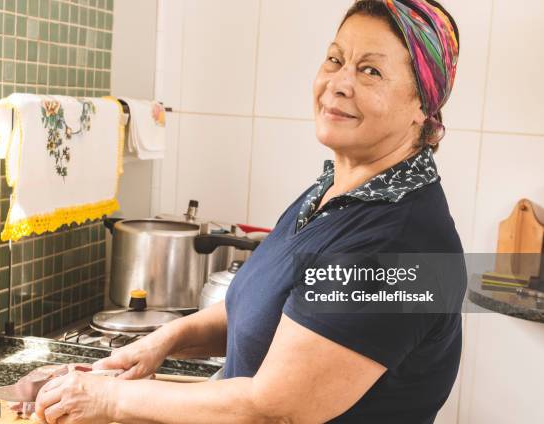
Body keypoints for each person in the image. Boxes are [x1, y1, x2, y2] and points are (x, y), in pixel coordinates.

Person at [35, 0, 465, 422]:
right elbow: (262, 306)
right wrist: (160, 343)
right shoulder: (332, 195)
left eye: (370, 70)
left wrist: (112, 400)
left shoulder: (399, 243)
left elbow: (272, 409)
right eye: (335, 59)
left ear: (422, 105)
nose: (338, 83)